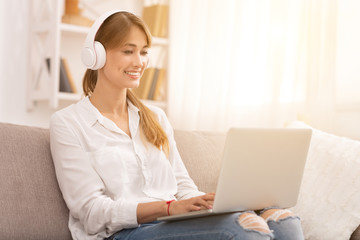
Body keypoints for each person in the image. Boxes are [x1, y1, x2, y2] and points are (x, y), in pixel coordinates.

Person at [49, 10, 305, 240]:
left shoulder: (156, 118)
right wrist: (168, 208)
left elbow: (182, 186)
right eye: (128, 51)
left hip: (169, 223)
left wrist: (200, 203)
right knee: (244, 227)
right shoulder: (68, 123)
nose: (139, 62)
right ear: (97, 54)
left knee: (283, 220)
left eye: (144, 51)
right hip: (122, 233)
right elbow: (92, 212)